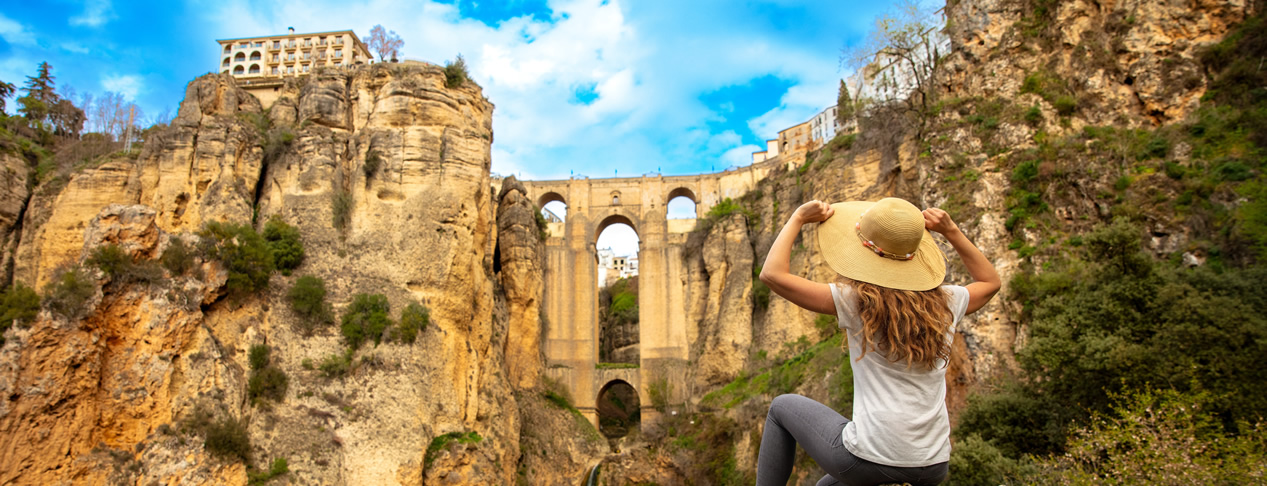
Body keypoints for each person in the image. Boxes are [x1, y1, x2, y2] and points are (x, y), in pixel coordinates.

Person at [755, 197, 1001, 486]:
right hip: (933, 464)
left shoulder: (858, 303)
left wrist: (797, 217)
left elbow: (772, 274)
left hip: (869, 459)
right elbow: (990, 282)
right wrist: (952, 231)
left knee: (782, 407)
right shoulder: (948, 302)